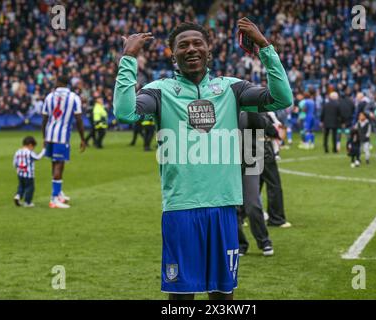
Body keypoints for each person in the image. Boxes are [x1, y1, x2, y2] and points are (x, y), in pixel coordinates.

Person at [113, 19, 293, 300]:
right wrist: (128, 60)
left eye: (198, 43)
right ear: (172, 54)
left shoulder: (231, 89)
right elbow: (125, 112)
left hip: (223, 209)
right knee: (182, 297)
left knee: (222, 296)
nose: (191, 49)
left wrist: (265, 47)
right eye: (182, 45)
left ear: (210, 51)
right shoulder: (160, 90)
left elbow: (282, 99)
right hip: (181, 210)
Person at [41, 75, 86, 208]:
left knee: (55, 163)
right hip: (62, 137)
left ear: (60, 82)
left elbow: (44, 119)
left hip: (50, 135)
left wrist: (44, 137)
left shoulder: (49, 96)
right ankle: (54, 199)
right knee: (59, 164)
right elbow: (78, 119)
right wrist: (83, 138)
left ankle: (58, 192)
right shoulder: (73, 97)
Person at [237, 112, 274, 257]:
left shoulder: (249, 108)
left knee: (253, 204)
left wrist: (252, 110)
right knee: (231, 208)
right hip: (227, 163)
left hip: (250, 161)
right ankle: (240, 244)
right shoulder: (223, 107)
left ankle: (264, 241)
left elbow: (264, 125)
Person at [260, 113, 291, 228]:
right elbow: (269, 128)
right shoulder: (261, 111)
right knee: (274, 184)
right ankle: (276, 218)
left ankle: (240, 216)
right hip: (262, 148)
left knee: (251, 185)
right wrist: (276, 133)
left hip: (247, 146)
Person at [13, 136, 45, 207]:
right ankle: (27, 202)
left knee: (21, 186)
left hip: (20, 173)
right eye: (33, 147)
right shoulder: (29, 153)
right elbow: (38, 157)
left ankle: (18, 195)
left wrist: (17, 169)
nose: (33, 149)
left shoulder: (18, 152)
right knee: (30, 188)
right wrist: (44, 150)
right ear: (30, 145)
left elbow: (15, 162)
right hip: (29, 174)